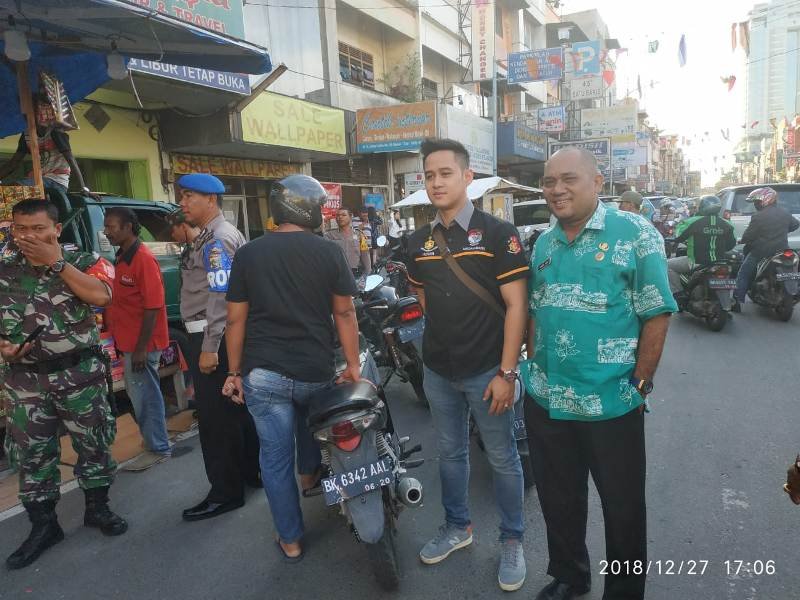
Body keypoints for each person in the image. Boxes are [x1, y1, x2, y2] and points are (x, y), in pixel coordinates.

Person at [524, 147, 676, 600]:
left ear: (598, 182)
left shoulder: (635, 234)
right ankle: (570, 575)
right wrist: (532, 368)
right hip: (548, 399)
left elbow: (658, 311)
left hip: (611, 403)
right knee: (559, 499)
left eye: (568, 179)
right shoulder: (544, 242)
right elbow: (535, 311)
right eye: (549, 181)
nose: (556, 189)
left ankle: (625, 593)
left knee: (623, 508)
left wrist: (641, 383)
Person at [406, 138, 529, 592]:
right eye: (429, 175)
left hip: (487, 372)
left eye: (445, 173)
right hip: (438, 370)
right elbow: (424, 299)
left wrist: (506, 372)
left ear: (466, 177)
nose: (436, 182)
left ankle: (512, 539)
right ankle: (458, 527)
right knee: (450, 452)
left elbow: (517, 307)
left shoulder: (499, 235)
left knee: (502, 457)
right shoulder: (417, 242)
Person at [223, 174, 362, 563]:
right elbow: (345, 312)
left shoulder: (249, 254)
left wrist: (234, 372)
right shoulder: (328, 252)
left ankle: (291, 539)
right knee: (311, 424)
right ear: (309, 209)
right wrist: (352, 366)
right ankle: (310, 474)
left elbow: (235, 320)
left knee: (274, 457)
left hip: (263, 375)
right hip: (315, 370)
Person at [1, 199, 127, 570]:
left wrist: (56, 263)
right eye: (20, 229)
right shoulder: (5, 267)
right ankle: (44, 526)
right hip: (24, 381)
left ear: (56, 229)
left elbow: (102, 296)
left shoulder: (85, 261)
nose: (28, 236)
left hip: (79, 375)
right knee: (32, 456)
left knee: (93, 443)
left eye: (37, 228)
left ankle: (97, 509)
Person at [176, 173, 260, 522]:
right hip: (221, 336)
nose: (182, 203)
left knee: (215, 419)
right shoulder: (215, 236)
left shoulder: (217, 240)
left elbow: (221, 297)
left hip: (213, 337)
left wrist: (209, 346)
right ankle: (250, 474)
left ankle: (225, 493)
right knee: (237, 412)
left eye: (189, 196)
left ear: (211, 199)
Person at [103, 207, 172, 471]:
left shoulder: (142, 258)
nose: (107, 232)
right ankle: (154, 440)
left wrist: (142, 348)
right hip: (129, 340)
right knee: (141, 393)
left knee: (145, 396)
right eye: (107, 227)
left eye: (112, 227)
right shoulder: (122, 256)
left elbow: (154, 306)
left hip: (142, 344)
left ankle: (158, 447)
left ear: (129, 227)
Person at [0, 95, 97, 198]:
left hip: (57, 182)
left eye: (33, 111)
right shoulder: (27, 135)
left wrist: (84, 188)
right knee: (7, 192)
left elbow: (71, 160)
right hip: (39, 179)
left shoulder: (56, 132)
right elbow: (13, 163)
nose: (27, 115)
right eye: (25, 112)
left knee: (15, 187)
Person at [733, 187, 800, 312]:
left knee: (744, 273)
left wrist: (742, 240)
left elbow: (748, 236)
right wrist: (783, 230)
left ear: (766, 200)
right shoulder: (784, 212)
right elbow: (795, 224)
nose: (756, 204)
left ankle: (736, 301)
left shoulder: (758, 216)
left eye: (757, 202)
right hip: (782, 249)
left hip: (761, 251)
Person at [666, 195, 736, 305]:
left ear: (702, 207)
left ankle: (679, 294)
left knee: (667, 265)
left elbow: (679, 236)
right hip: (720, 262)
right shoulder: (727, 224)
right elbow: (731, 244)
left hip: (696, 261)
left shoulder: (692, 221)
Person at [324, 207, 371, 275]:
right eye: (338, 215)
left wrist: (367, 274)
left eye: (343, 215)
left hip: (355, 275)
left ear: (351, 216)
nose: (340, 217)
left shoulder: (359, 235)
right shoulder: (329, 235)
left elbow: (365, 256)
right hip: (336, 274)